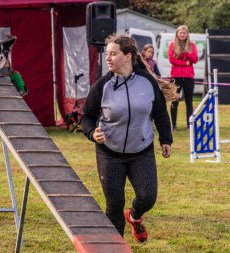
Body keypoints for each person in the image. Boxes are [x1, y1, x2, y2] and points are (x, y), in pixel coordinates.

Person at [81, 35, 172, 243]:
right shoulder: (102, 86)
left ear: (128, 56)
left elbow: (159, 112)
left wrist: (165, 139)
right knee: (114, 204)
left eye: (113, 54)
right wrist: (92, 133)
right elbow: (86, 117)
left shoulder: (147, 82)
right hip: (109, 154)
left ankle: (134, 216)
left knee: (148, 197)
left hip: (142, 151)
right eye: (107, 54)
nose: (108, 58)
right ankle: (115, 247)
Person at [168, 25, 198, 130]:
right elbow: (172, 60)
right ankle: (173, 125)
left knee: (188, 101)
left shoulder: (192, 45)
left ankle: (189, 125)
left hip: (189, 76)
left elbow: (195, 59)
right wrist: (186, 63)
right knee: (174, 100)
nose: (182, 35)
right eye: (180, 33)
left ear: (187, 34)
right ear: (177, 34)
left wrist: (187, 53)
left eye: (184, 33)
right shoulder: (172, 45)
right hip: (176, 76)